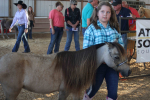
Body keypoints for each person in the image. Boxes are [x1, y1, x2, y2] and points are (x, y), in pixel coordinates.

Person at [82, 2, 124, 100]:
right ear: (97, 13)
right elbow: (86, 50)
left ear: (111, 14)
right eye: (102, 11)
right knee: (91, 91)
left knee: (113, 93)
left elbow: (121, 45)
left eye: (108, 12)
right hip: (97, 67)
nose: (105, 14)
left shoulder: (114, 29)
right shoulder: (91, 29)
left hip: (112, 66)